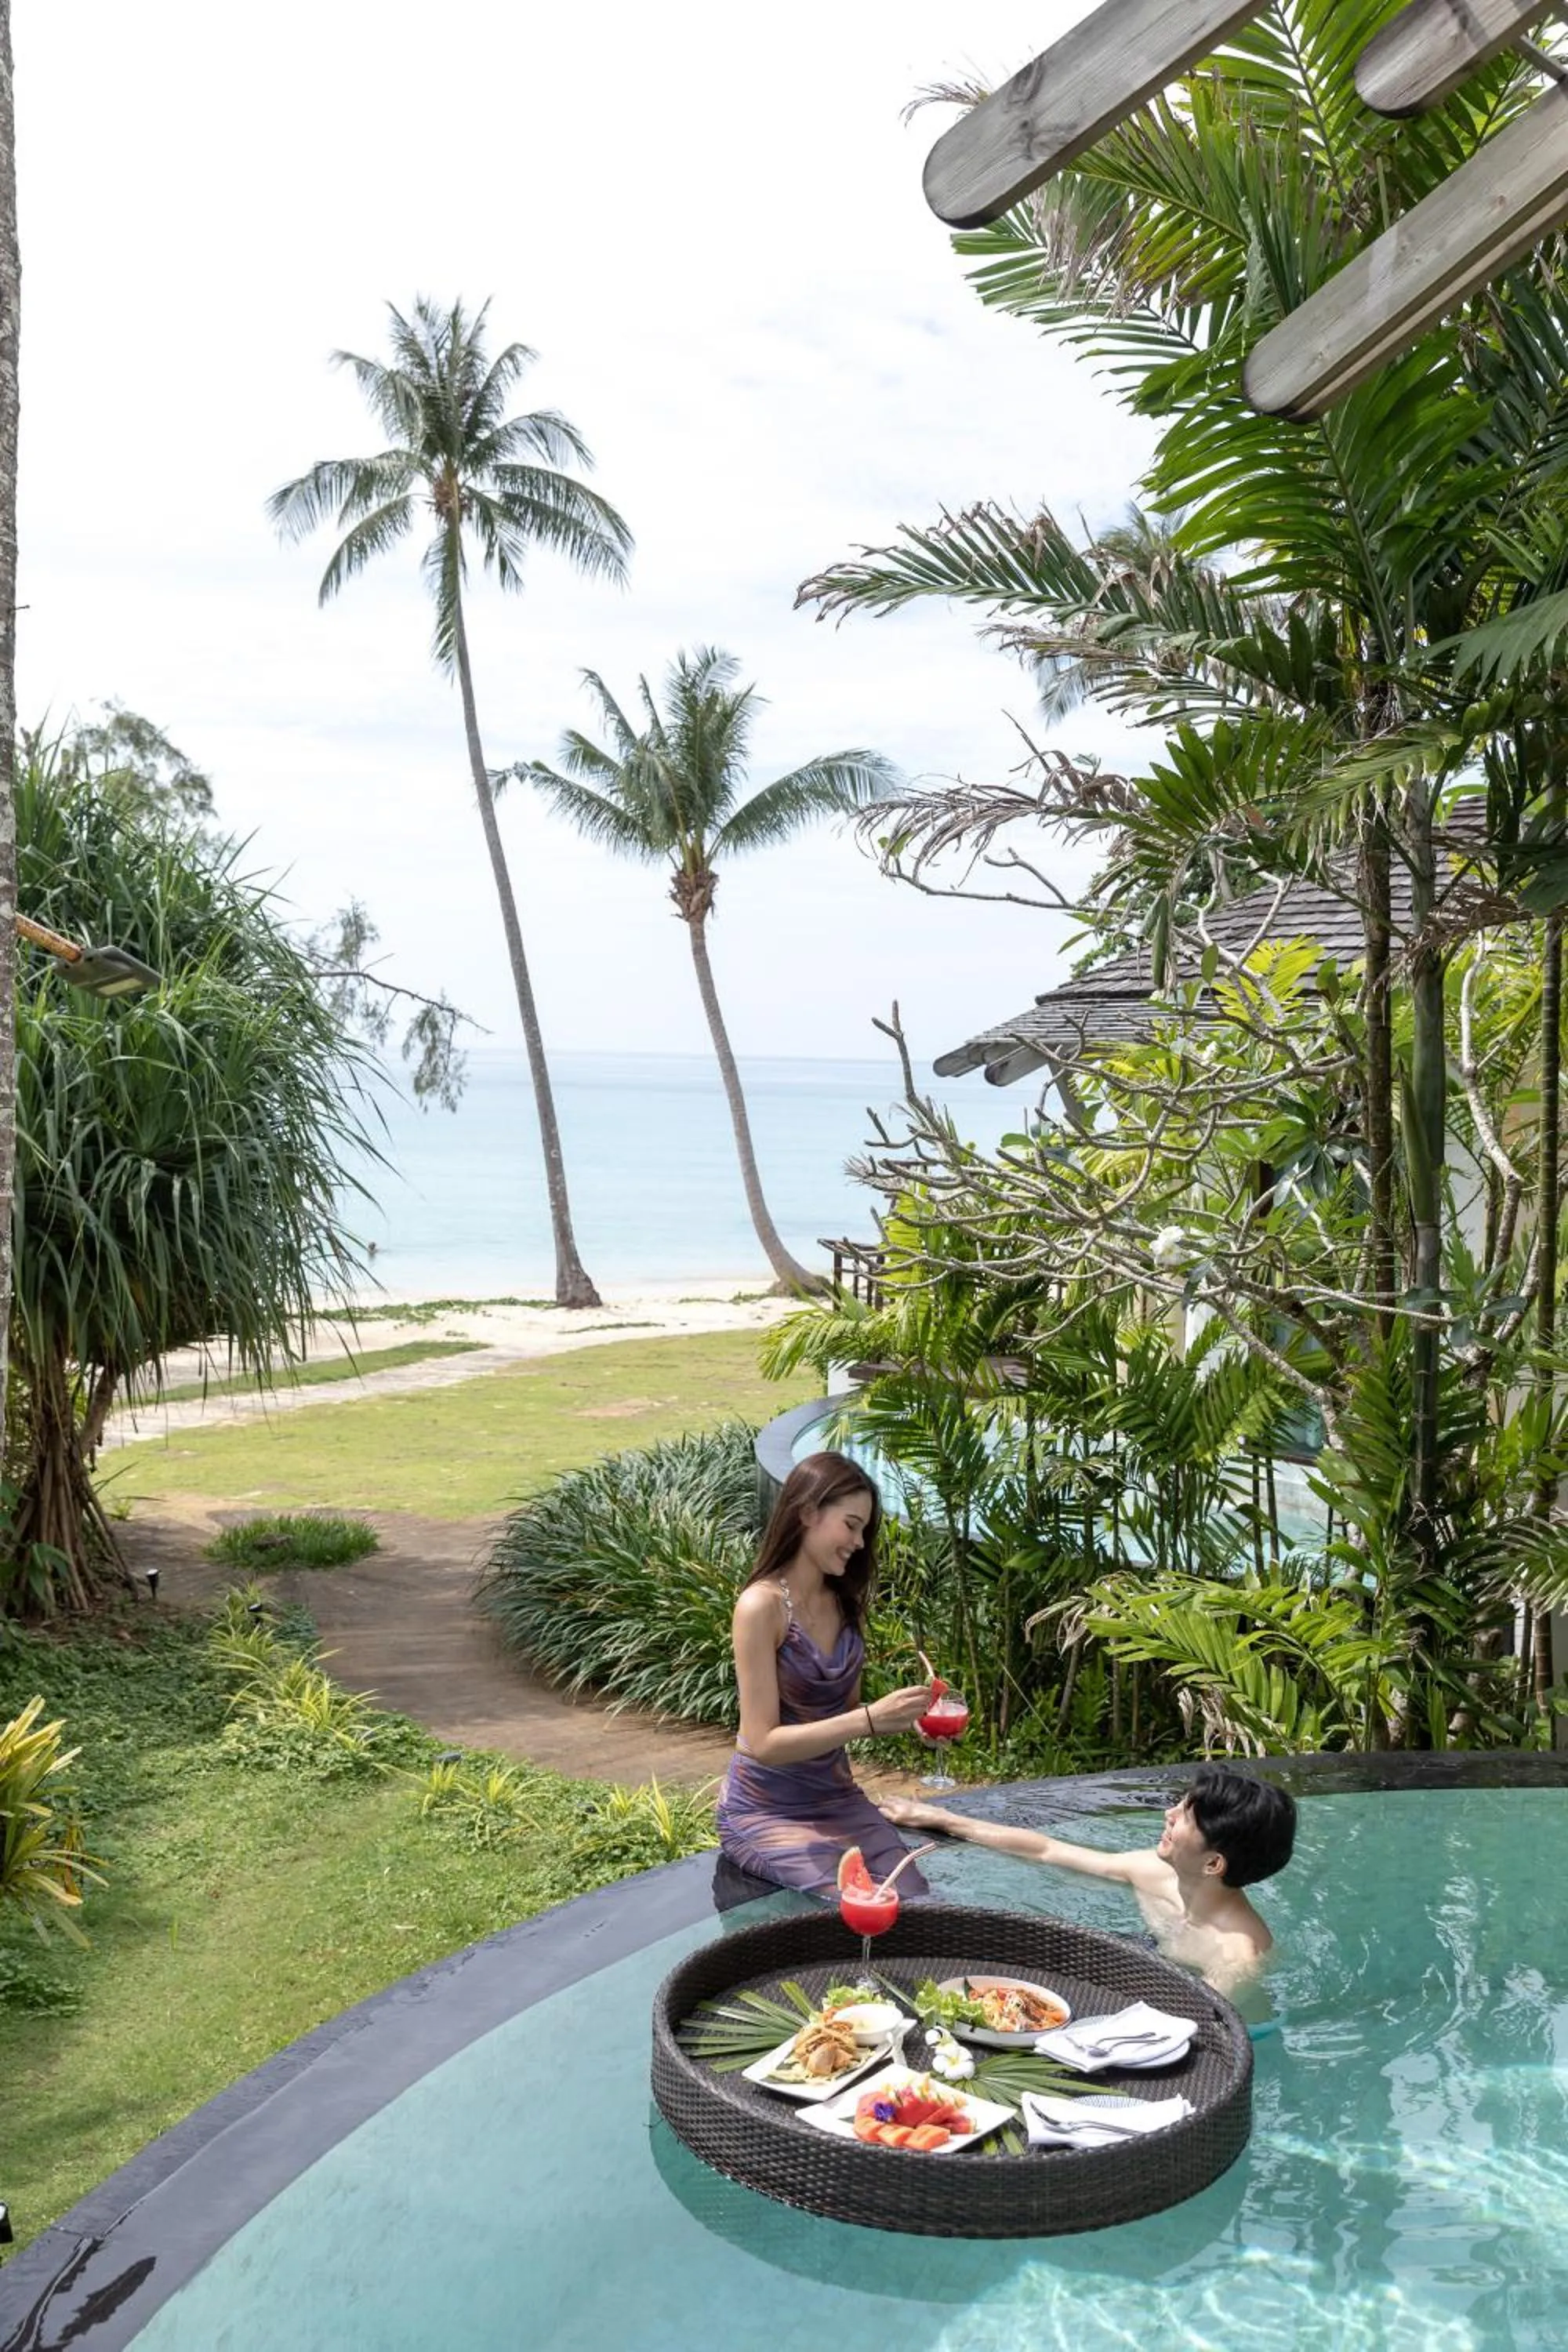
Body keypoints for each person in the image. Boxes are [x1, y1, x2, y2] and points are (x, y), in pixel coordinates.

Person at [716, 1450, 935, 1897]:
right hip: (765, 1809)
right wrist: (870, 1719)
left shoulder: (843, 1603)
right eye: (851, 1525)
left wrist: (900, 1720)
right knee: (859, 1903)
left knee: (914, 1899)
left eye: (863, 1531)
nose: (858, 1542)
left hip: (837, 1798)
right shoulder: (762, 1607)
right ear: (808, 1512)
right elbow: (762, 1743)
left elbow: (842, 1715)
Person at [884, 1765, 1296, 1994]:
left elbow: (1202, 2031)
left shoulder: (1236, 1956)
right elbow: (1049, 1850)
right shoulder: (1154, 1874)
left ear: (1213, 1864)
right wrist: (941, 1818)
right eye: (1179, 1804)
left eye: (1185, 1817)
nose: (1168, 1815)